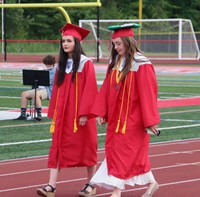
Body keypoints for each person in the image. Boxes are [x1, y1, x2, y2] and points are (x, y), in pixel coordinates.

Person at [90, 23, 161, 197]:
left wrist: (150, 121)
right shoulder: (115, 62)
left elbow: (148, 93)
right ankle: (152, 183)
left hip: (134, 119)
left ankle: (117, 191)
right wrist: (102, 112)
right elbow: (107, 88)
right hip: (116, 117)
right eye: (114, 44)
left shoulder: (141, 63)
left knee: (124, 153)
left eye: (119, 44)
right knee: (120, 152)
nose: (116, 47)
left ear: (129, 42)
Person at [36, 23, 98, 197]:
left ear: (76, 43)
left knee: (87, 147)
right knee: (57, 146)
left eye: (69, 41)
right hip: (63, 115)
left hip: (80, 116)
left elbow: (90, 89)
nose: (65, 44)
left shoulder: (86, 64)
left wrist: (85, 113)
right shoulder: (62, 65)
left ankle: (90, 184)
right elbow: (56, 89)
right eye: (63, 41)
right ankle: (51, 186)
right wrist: (54, 112)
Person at [15, 55, 56, 121]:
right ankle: (23, 115)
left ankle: (39, 115)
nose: (47, 65)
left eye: (48, 63)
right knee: (24, 94)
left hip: (49, 90)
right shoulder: (45, 70)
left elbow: (48, 82)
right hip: (40, 89)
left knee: (35, 94)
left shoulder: (55, 71)